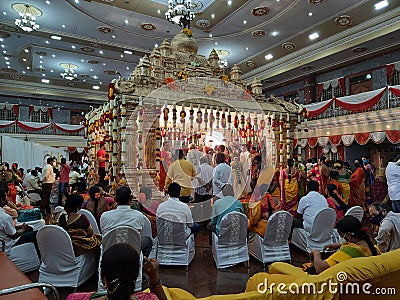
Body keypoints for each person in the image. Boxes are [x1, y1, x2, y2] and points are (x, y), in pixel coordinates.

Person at [66, 244, 167, 300]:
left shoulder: (75, 298)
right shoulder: (149, 298)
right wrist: (154, 277)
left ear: (103, 279)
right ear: (135, 279)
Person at [310, 215, 378, 274]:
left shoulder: (348, 250)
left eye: (341, 235)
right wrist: (340, 245)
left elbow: (320, 268)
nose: (341, 237)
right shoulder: (369, 244)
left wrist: (316, 253)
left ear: (348, 234)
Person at [100, 186, 153, 257]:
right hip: (132, 253)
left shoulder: (105, 216)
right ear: (131, 198)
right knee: (148, 240)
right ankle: (143, 261)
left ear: (115, 199)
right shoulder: (139, 216)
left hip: (110, 253)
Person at [0, 181, 40, 258]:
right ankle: (39, 258)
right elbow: (13, 235)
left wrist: (20, 227)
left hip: (3, 239)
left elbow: (4, 229)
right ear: (2, 200)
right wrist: (23, 229)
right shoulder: (4, 217)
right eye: (5, 197)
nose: (7, 199)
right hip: (8, 245)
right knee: (35, 234)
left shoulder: (3, 215)